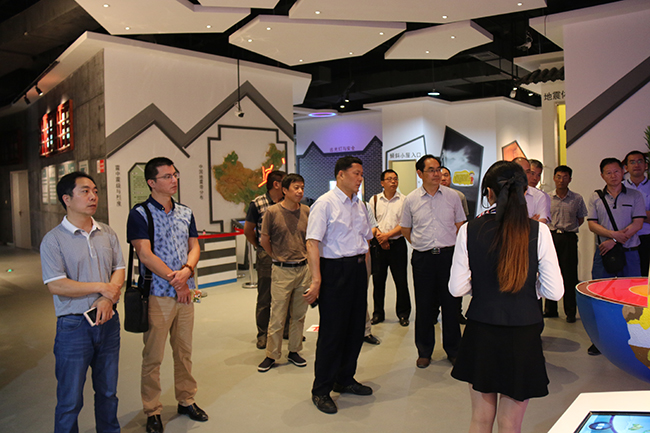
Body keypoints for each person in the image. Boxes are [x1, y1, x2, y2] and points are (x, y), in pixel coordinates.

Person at [449, 161, 563, 433]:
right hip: (523, 330)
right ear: (524, 192)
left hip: (481, 328)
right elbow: (555, 291)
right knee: (511, 423)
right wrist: (529, 288)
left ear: (489, 192)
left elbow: (456, 288)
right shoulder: (539, 231)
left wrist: (484, 287)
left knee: (480, 419)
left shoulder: (469, 229)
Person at [126, 157, 206, 433]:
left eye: (175, 175)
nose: (174, 180)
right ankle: (152, 410)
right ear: (152, 182)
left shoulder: (185, 212)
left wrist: (187, 271)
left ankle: (187, 399)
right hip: (157, 294)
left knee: (184, 351)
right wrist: (177, 280)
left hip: (186, 294)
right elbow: (145, 254)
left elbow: (194, 247)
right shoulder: (140, 214)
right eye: (167, 176)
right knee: (153, 356)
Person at [40, 172, 124, 433]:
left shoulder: (107, 233)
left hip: (108, 322)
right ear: (67, 199)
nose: (93, 196)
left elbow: (119, 269)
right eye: (85, 191)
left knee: (108, 393)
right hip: (74, 327)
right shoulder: (53, 240)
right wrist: (101, 288)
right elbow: (56, 284)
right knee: (70, 400)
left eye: (95, 191)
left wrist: (106, 299)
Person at [305, 156, 374, 414]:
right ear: (341, 175)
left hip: (356, 269)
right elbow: (312, 242)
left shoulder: (360, 205)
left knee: (355, 329)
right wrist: (316, 280)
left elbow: (366, 239)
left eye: (361, 174)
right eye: (356, 173)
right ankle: (321, 390)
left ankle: (344, 379)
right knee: (332, 333)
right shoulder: (325, 204)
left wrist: (366, 272)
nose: (360, 179)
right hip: (335, 271)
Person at [400, 155, 466, 369]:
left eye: (438, 169)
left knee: (451, 304)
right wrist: (422, 245)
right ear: (420, 173)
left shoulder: (453, 196)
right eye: (431, 170)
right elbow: (406, 229)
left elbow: (460, 225)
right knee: (425, 306)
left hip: (449, 257)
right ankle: (424, 351)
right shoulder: (411, 199)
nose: (437, 174)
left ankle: (454, 350)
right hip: (423, 259)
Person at [586, 157, 645, 355]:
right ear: (602, 175)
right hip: (604, 254)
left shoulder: (635, 196)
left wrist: (614, 240)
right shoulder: (595, 197)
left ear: (623, 172)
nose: (613, 176)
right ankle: (600, 341)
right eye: (608, 173)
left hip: (630, 253)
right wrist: (613, 236)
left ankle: (634, 341)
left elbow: (638, 223)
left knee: (632, 298)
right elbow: (591, 224)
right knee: (601, 296)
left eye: (616, 171)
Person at [257, 174, 311, 372]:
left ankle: (294, 351)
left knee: (298, 315)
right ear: (285, 190)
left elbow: (310, 239)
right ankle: (272, 355)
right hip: (281, 271)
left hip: (303, 269)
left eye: (302, 187)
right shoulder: (272, 212)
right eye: (296, 188)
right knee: (278, 315)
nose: (300, 191)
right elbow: (264, 240)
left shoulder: (306, 211)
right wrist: (276, 257)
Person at [244, 170, 287, 350]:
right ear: (276, 184)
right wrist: (260, 247)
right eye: (285, 182)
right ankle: (263, 334)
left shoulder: (289, 202)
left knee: (287, 294)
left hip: (287, 255)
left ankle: (286, 330)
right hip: (266, 256)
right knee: (265, 296)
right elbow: (248, 230)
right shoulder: (258, 204)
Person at [367, 169, 411, 327]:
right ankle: (378, 313)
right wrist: (381, 238)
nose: (393, 181)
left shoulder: (404, 200)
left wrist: (388, 236)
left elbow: (404, 223)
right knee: (378, 281)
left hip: (397, 244)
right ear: (382, 183)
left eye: (395, 179)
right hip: (378, 245)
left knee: (401, 281)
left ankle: (403, 314)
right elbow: (371, 222)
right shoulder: (374, 200)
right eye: (389, 179)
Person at [545, 165, 588, 323]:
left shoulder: (577, 198)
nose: (561, 180)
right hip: (551, 237)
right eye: (558, 176)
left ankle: (570, 312)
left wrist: (568, 228)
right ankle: (550, 310)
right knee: (550, 272)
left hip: (569, 238)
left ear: (570, 179)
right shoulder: (547, 197)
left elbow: (581, 218)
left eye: (565, 177)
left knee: (570, 275)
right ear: (554, 178)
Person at [623, 151, 650, 277]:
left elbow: (624, 213)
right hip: (625, 238)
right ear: (626, 167)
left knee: (645, 276)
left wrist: (632, 213)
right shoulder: (619, 187)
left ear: (646, 165)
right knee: (626, 278)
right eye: (632, 162)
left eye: (640, 161)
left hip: (647, 237)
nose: (636, 165)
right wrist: (644, 215)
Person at [514, 157, 551, 224]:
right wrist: (529, 222)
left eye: (538, 175)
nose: (535, 178)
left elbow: (541, 223)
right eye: (532, 173)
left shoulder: (540, 196)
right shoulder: (505, 193)